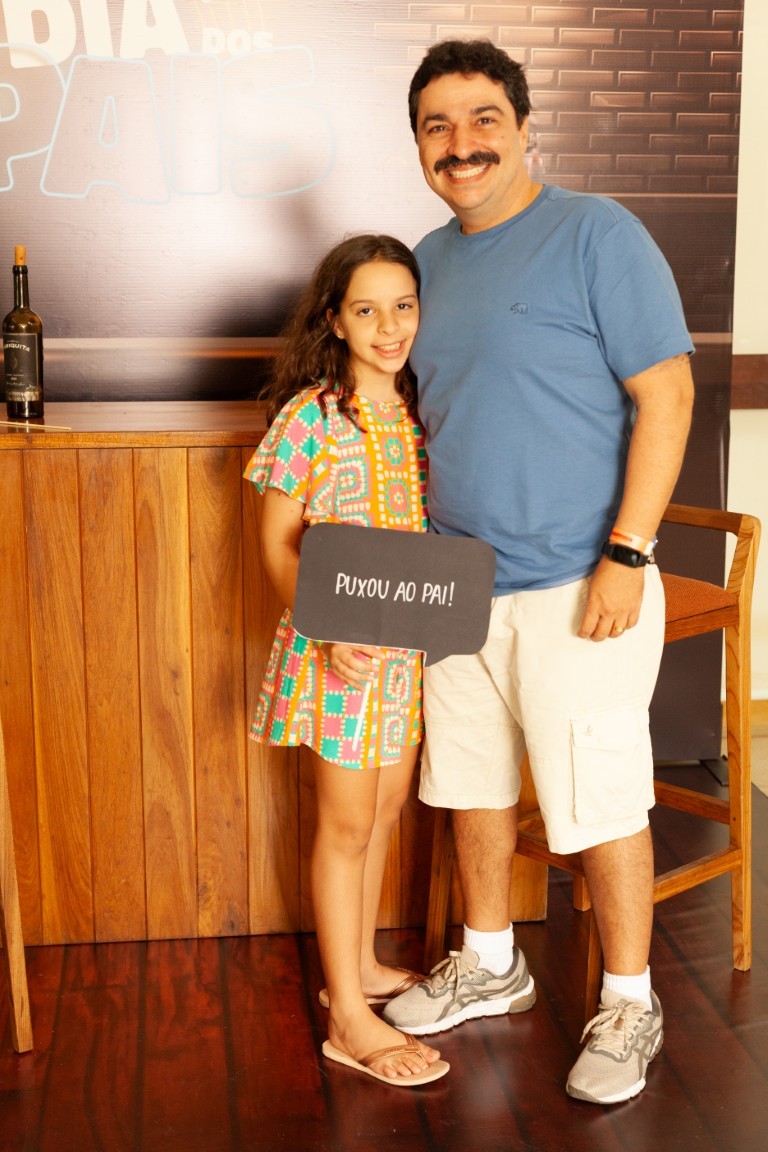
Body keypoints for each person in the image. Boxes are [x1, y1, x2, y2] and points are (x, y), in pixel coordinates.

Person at [382, 40, 695, 1105]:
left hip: (580, 579)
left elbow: (667, 395)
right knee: (468, 784)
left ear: (524, 127)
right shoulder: (424, 264)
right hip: (459, 580)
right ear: (418, 144)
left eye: (482, 119)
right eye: (437, 125)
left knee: (599, 797)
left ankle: (631, 1000)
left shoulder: (597, 233)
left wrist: (628, 552)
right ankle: (490, 962)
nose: (460, 144)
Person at [243, 234, 449, 1087]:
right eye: (367, 310)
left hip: (405, 653)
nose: (389, 327)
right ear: (334, 320)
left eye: (403, 306)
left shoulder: (423, 409)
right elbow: (276, 543)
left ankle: (356, 969)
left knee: (387, 806)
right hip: (338, 656)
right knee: (346, 824)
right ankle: (348, 1022)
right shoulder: (311, 416)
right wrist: (327, 630)